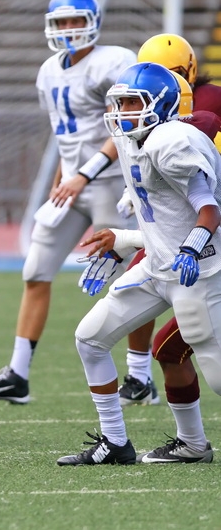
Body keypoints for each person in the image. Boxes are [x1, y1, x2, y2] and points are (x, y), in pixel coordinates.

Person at [0, 0, 137, 404]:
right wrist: (63, 177)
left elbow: (122, 127)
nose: (70, 28)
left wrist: (83, 174)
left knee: (128, 276)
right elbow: (66, 134)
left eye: (77, 20)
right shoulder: (48, 71)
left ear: (94, 21)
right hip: (73, 186)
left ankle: (140, 374)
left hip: (111, 183)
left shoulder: (112, 62)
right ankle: (17, 374)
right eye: (62, 21)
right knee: (36, 271)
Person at [58, 62, 221, 466]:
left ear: (160, 104)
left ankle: (194, 445)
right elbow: (162, 220)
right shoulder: (132, 140)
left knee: (218, 380)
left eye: (132, 102)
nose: (122, 111)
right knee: (90, 338)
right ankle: (116, 442)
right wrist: (124, 240)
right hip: (158, 268)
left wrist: (190, 249)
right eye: (120, 102)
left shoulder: (171, 141)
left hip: (198, 272)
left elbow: (208, 210)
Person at [115, 33, 221, 407]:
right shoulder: (142, 122)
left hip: (209, 236)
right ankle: (139, 376)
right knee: (167, 345)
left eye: (174, 72)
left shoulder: (200, 106)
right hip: (190, 233)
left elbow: (205, 118)